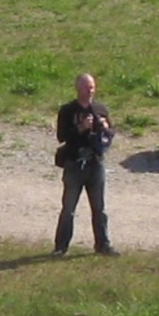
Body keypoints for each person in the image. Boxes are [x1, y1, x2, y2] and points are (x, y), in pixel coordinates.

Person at [52, 73, 119, 257]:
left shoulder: (100, 109)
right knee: (68, 209)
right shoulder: (67, 110)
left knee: (99, 208)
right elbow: (62, 136)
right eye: (85, 87)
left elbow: (111, 135)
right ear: (77, 89)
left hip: (95, 164)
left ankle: (103, 244)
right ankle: (61, 247)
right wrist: (81, 128)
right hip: (74, 164)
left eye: (91, 87)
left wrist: (105, 128)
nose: (89, 91)